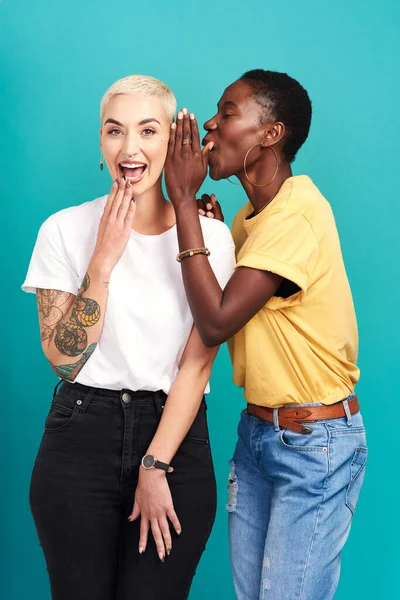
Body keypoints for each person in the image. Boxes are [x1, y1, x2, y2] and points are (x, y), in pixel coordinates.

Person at [22, 74, 235, 600]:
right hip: (79, 437)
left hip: (174, 440)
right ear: (101, 142)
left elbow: (198, 365)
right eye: (115, 131)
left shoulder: (210, 237)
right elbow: (63, 359)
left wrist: (154, 463)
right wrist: (103, 259)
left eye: (148, 131)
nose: (130, 147)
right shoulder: (63, 229)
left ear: (171, 142)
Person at [164, 69, 367, 600]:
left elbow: (215, 321)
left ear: (270, 135)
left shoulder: (297, 214)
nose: (210, 122)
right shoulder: (252, 220)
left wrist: (183, 201)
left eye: (228, 112)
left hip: (313, 444)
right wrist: (212, 232)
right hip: (259, 437)